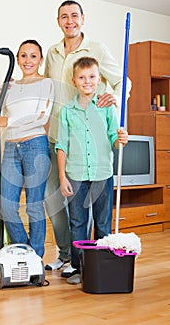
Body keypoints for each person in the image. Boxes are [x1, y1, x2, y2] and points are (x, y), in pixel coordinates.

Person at [44, 0, 131, 276]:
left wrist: (112, 99)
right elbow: (48, 90)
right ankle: (68, 254)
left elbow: (123, 81)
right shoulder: (53, 53)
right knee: (55, 199)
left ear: (83, 19)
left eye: (74, 16)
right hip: (59, 137)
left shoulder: (96, 50)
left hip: (92, 141)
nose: (69, 21)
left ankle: (93, 262)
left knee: (91, 208)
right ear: (58, 21)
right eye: (64, 17)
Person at [0, 39, 54, 257]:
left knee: (34, 206)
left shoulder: (46, 84)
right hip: (11, 150)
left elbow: (41, 116)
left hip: (35, 145)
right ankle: (24, 251)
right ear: (17, 59)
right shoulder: (10, 87)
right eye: (23, 56)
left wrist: (10, 121)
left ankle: (35, 259)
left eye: (33, 56)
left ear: (41, 59)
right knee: (7, 206)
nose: (28, 60)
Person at [55, 56, 128, 284]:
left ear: (99, 80)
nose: (87, 81)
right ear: (74, 80)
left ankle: (102, 264)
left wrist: (121, 139)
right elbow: (61, 145)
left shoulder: (107, 108)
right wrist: (62, 176)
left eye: (92, 77)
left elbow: (114, 138)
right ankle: (78, 266)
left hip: (102, 174)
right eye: (82, 77)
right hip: (75, 175)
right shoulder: (67, 111)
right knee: (77, 222)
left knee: (102, 222)